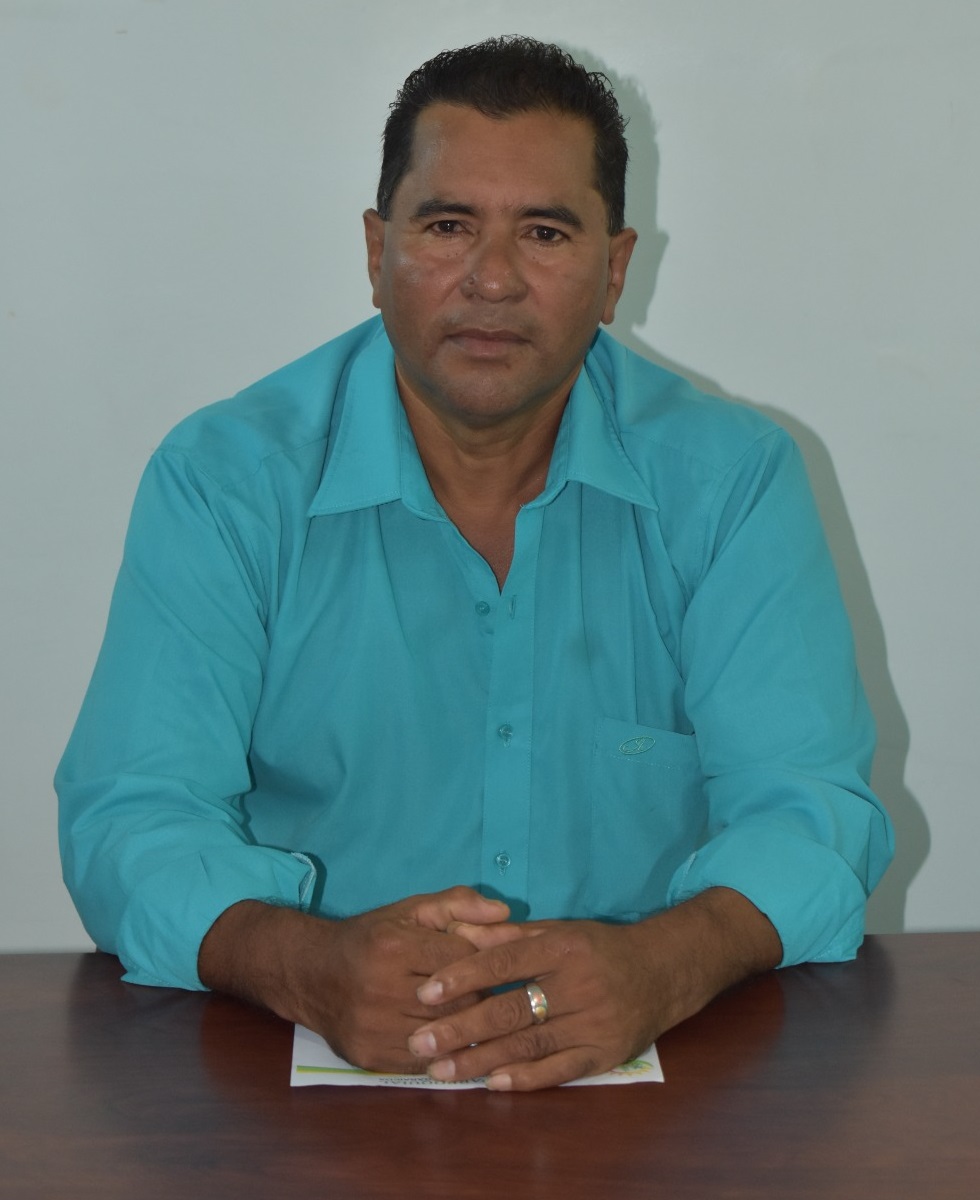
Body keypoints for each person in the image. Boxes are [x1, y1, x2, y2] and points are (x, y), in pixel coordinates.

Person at [56, 36, 893, 1091]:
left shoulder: (729, 481)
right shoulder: (227, 481)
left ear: (613, 271)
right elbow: (132, 816)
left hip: (649, 1078)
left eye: (543, 232)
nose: (491, 280)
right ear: (377, 251)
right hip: (296, 1079)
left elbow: (810, 813)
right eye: (447, 225)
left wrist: (660, 965)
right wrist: (306, 964)